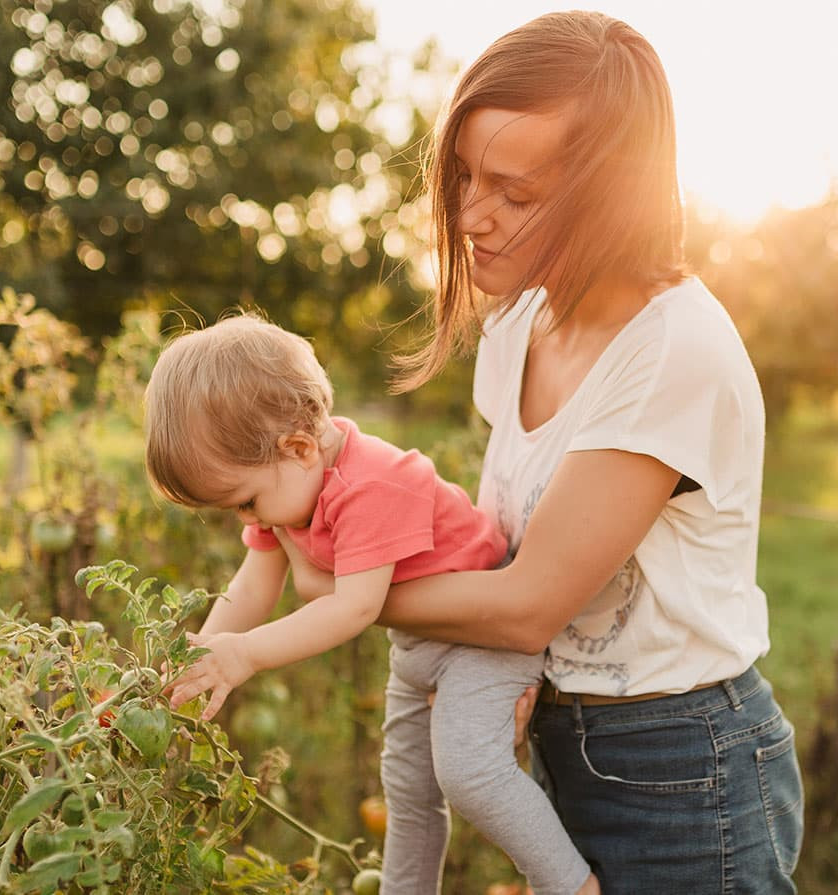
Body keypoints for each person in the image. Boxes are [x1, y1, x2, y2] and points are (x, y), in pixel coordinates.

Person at [352, 10, 805, 892]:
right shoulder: (520, 320)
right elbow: (504, 546)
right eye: (463, 177)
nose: (472, 216)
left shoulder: (671, 350)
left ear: (610, 196)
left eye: (514, 194)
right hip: (566, 737)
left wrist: (345, 592)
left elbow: (525, 602)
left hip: (682, 767)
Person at [145, 313, 599, 895]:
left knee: (470, 772)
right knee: (407, 790)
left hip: (480, 635)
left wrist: (246, 655)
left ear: (300, 447)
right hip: (419, 647)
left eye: (246, 502)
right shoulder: (286, 486)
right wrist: (201, 651)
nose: (248, 519)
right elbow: (254, 584)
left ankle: (569, 885)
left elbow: (353, 607)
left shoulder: (374, 483)